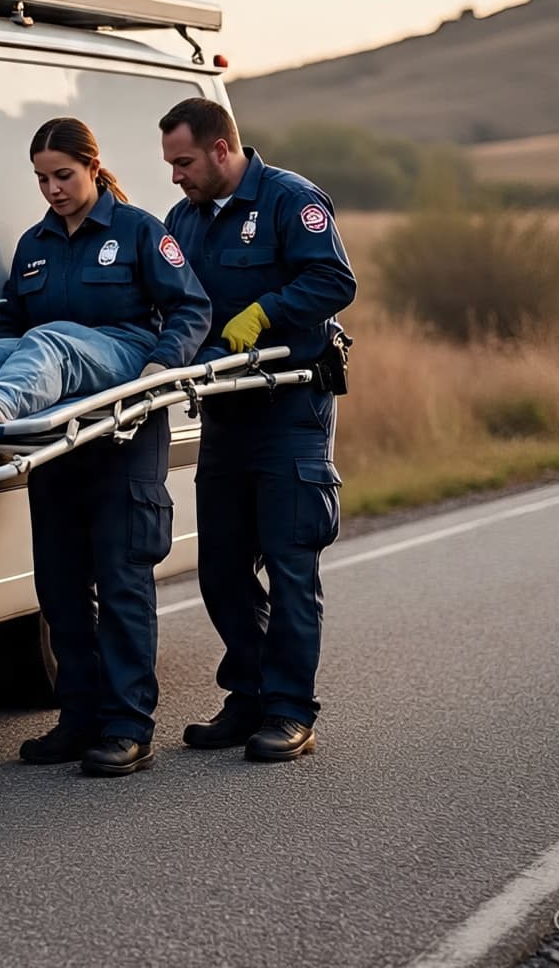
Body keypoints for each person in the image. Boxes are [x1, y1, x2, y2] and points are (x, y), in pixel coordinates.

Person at [0, 117, 212, 775]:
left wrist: (159, 366)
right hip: (57, 438)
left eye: (63, 175)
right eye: (42, 179)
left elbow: (192, 308)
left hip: (118, 411)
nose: (52, 189)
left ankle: (127, 727)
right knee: (58, 585)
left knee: (120, 584)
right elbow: (13, 333)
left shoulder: (138, 231)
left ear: (91, 166)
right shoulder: (34, 246)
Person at [159, 97, 356, 762]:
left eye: (183, 161)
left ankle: (291, 711)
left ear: (221, 149)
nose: (176, 176)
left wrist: (265, 312)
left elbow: (334, 280)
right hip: (225, 413)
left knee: (290, 562)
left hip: (290, 412)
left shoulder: (288, 201)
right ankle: (247, 696)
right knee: (219, 565)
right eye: (170, 164)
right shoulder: (182, 220)